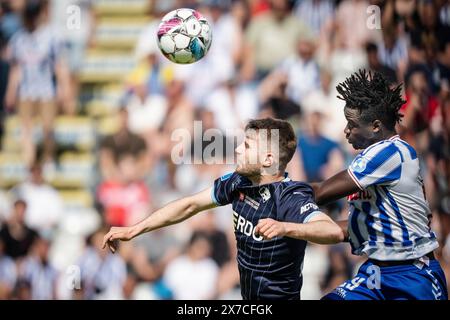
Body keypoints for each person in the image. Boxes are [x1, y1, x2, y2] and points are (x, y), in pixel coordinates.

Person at [103, 118, 344, 300]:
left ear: (268, 160)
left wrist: (285, 227)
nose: (238, 150)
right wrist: (135, 229)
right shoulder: (237, 182)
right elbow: (189, 205)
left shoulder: (290, 196)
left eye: (247, 146)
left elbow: (330, 231)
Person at [279, 69, 448, 300]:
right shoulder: (372, 162)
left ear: (376, 126)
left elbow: (321, 192)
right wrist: (292, 227)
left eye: (352, 124)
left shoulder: (391, 153)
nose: (346, 130)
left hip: (415, 275)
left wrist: (272, 192)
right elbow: (351, 229)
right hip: (376, 275)